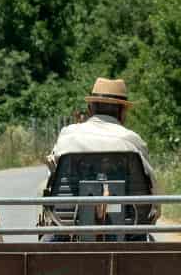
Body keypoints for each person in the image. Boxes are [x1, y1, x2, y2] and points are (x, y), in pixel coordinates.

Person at [41, 78, 159, 227]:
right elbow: (152, 184)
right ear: (123, 112)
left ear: (90, 109)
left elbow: (52, 177)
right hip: (130, 226)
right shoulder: (133, 140)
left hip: (66, 223)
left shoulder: (68, 135)